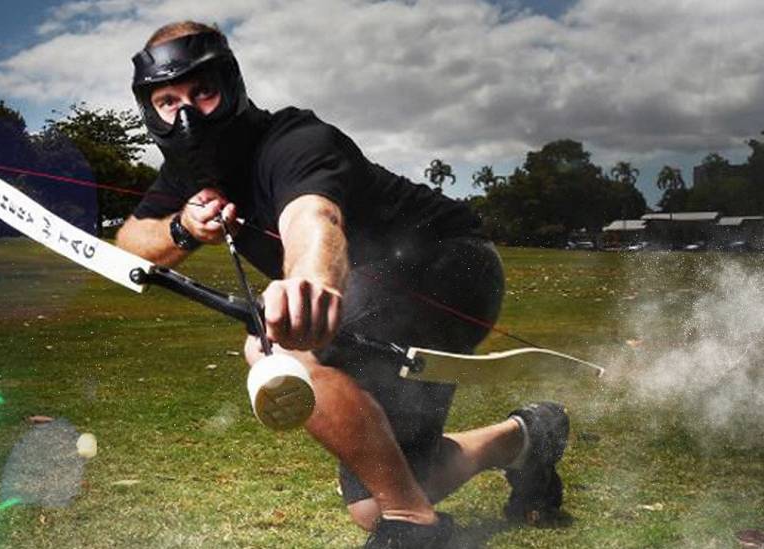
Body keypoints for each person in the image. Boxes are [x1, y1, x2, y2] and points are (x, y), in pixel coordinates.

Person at [117, 21, 570, 548]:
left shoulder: (295, 141)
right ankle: (527, 438)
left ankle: (415, 529)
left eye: (203, 93)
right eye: (168, 101)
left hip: (448, 269)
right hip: (372, 299)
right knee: (373, 500)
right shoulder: (186, 177)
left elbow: (314, 219)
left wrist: (309, 284)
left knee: (269, 346)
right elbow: (129, 240)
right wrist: (183, 227)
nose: (188, 114)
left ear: (231, 84)